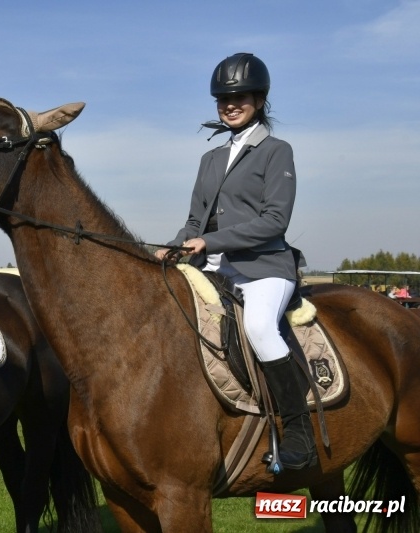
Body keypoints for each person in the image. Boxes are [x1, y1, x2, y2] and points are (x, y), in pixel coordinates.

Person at [154, 53, 316, 470]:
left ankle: (298, 432)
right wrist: (171, 248)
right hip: (215, 268)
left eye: (239, 96)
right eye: (222, 98)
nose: (229, 104)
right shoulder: (209, 159)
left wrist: (207, 241)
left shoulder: (277, 151)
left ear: (259, 100)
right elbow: (194, 221)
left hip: (265, 268)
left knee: (260, 328)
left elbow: (275, 221)